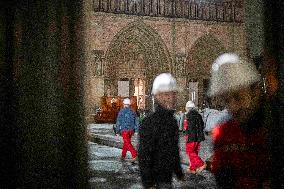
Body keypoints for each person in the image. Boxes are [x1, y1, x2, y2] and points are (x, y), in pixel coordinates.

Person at [207, 53, 272, 188]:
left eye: (238, 97)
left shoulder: (274, 127)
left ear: (255, 92)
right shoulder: (224, 132)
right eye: (226, 100)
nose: (233, 107)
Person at [138, 73, 185, 189]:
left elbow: (173, 149)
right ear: (157, 96)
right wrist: (148, 183)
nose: (171, 98)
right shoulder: (149, 122)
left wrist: (178, 172)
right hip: (155, 181)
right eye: (166, 94)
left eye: (173, 94)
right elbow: (144, 155)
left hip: (167, 179)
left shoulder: (172, 121)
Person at [183, 101, 206, 174]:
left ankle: (201, 164)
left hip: (191, 137)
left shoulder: (189, 116)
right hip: (198, 137)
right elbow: (202, 125)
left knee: (190, 152)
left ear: (188, 108)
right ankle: (192, 168)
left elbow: (188, 127)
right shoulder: (198, 115)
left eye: (186, 108)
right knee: (195, 152)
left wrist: (186, 128)